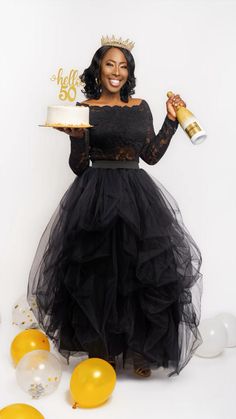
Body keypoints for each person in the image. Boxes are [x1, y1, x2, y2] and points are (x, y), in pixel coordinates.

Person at [27, 36, 203, 378]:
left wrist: (170, 121)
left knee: (140, 273)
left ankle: (141, 351)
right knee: (100, 276)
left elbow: (150, 156)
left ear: (129, 72)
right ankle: (103, 351)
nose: (117, 72)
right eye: (110, 64)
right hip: (95, 196)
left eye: (123, 66)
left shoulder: (140, 107)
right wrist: (76, 137)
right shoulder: (83, 107)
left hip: (137, 194)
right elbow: (79, 166)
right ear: (99, 68)